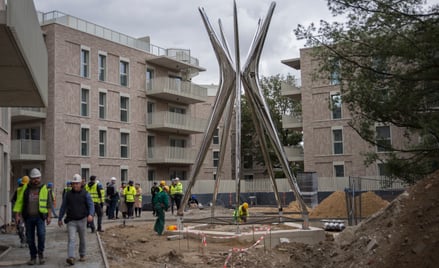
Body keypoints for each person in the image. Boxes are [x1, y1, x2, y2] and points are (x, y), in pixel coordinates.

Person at [13, 168, 52, 265]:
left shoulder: (44, 188)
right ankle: (33, 256)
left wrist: (49, 216)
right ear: (31, 178)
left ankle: (41, 254)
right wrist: (17, 215)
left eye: (37, 178)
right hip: (28, 217)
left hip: (40, 217)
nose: (36, 180)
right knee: (30, 238)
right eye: (34, 178)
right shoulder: (25, 189)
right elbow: (19, 202)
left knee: (41, 235)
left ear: (40, 178)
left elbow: (49, 203)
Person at [58, 174, 94, 266]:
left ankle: (82, 254)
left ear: (80, 184)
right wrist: (60, 218)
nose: (75, 185)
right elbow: (63, 206)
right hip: (71, 221)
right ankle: (71, 257)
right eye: (73, 184)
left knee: (82, 239)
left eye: (77, 183)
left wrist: (90, 214)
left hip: (82, 220)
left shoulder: (85, 194)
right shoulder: (68, 194)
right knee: (71, 239)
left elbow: (91, 205)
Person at [11, 176, 29, 248]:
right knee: (23, 227)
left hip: (22, 212)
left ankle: (24, 241)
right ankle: (25, 241)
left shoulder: (19, 190)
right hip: (22, 212)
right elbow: (14, 201)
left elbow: (13, 201)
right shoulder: (20, 190)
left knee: (22, 227)